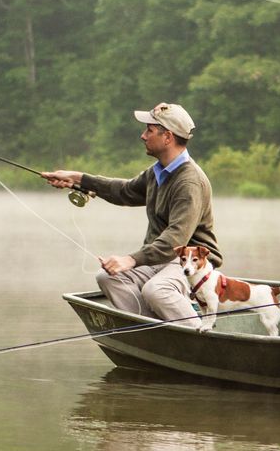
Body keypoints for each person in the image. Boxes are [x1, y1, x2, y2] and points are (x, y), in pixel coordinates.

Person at [43, 102, 220, 323]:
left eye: (149, 130)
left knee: (157, 291)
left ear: (168, 137)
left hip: (192, 263)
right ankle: (153, 332)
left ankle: (198, 336)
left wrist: (131, 260)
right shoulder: (158, 172)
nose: (143, 136)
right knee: (108, 278)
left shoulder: (189, 182)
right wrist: (78, 179)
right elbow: (124, 191)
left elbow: (176, 237)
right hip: (160, 260)